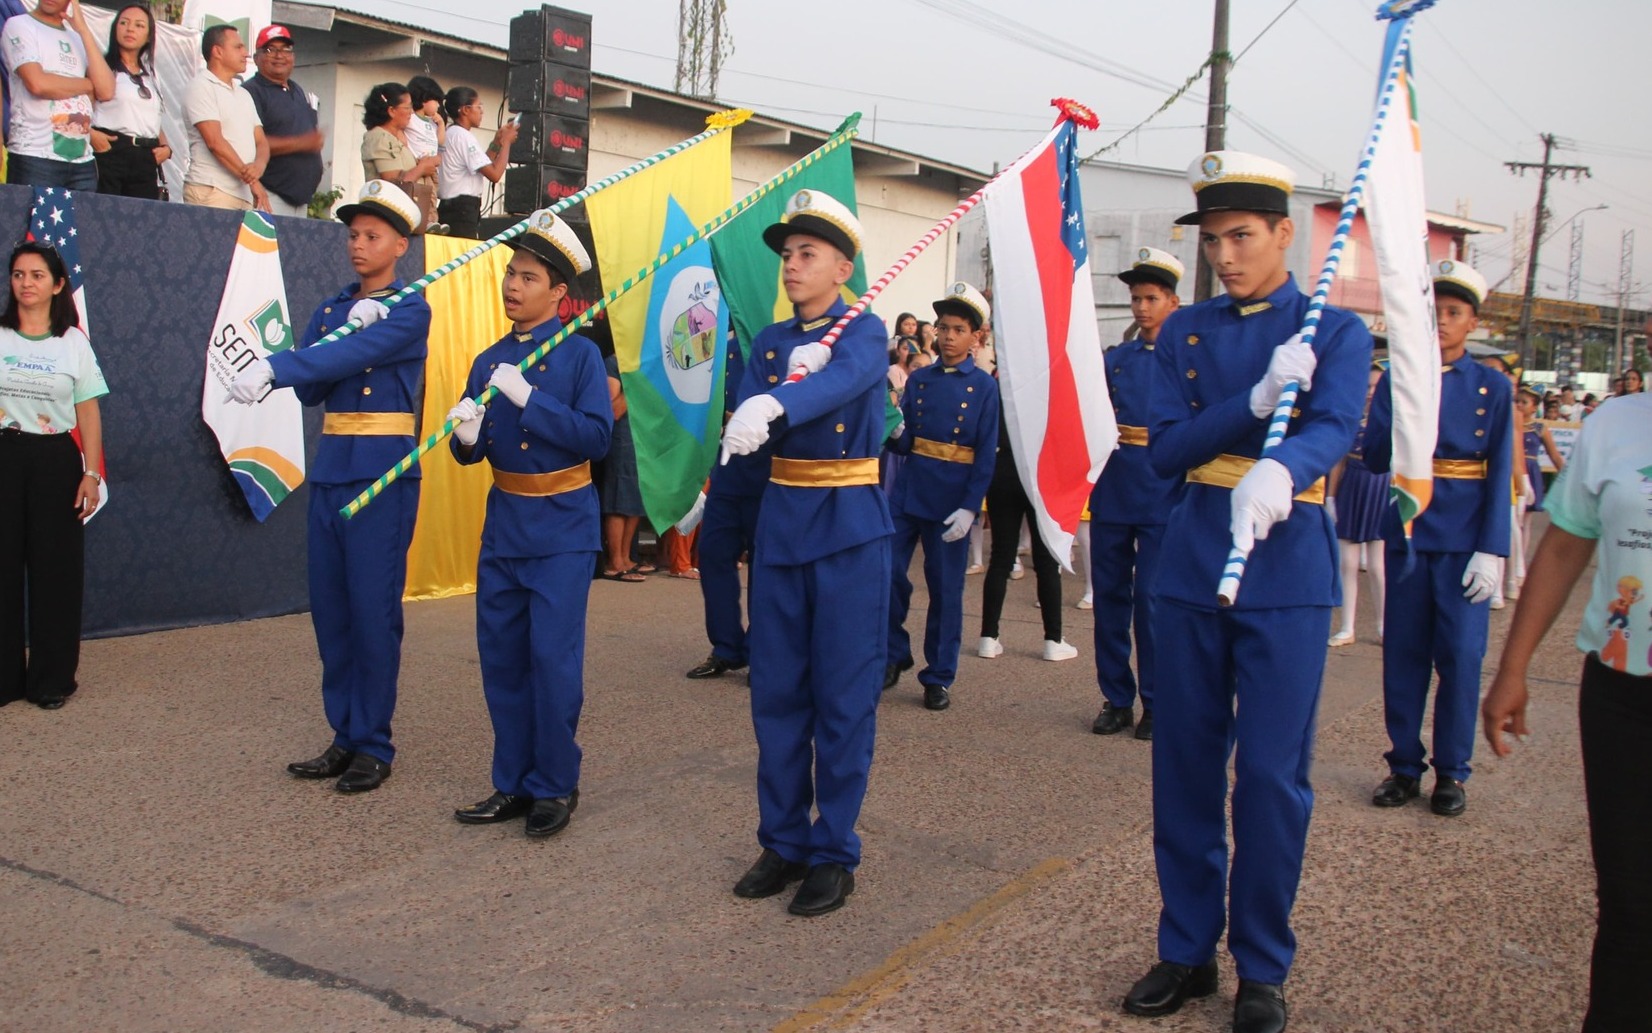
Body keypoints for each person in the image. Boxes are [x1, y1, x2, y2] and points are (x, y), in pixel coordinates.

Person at [1122, 152, 1371, 1033]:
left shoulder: (1333, 331)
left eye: (1241, 236)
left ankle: (1262, 962)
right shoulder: (1184, 330)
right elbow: (1166, 448)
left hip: (1285, 560)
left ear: (1284, 234)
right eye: (1213, 239)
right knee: (1184, 764)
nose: (1224, 255)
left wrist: (1287, 462)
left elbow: (1339, 423)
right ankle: (1187, 947)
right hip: (1193, 559)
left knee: (1269, 777)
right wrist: (1256, 402)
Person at [719, 189, 891, 917]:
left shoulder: (864, 330)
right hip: (785, 525)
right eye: (787, 254)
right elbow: (753, 440)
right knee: (778, 696)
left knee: (842, 699)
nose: (791, 265)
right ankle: (784, 838)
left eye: (807, 253)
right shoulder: (768, 341)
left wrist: (790, 395)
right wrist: (719, 492)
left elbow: (849, 381)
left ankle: (834, 848)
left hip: (849, 526)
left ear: (842, 265)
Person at [228, 180, 431, 792]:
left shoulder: (410, 307)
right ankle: (343, 734)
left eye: (371, 236)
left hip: (381, 475)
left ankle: (374, 742)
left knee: (372, 611)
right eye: (352, 234)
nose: (358, 245)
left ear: (401, 244)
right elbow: (315, 387)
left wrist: (280, 365)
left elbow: (338, 363)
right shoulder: (331, 308)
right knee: (333, 613)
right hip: (331, 470)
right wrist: (326, 336)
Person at [1481, 382, 1651, 1033]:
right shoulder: (1617, 422)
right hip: (1624, 696)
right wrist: (1513, 667)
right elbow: (1565, 542)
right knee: (1632, 905)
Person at [447, 209, 611, 838]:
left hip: (563, 529)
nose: (513, 285)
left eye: (528, 276)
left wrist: (529, 400)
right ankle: (511, 781)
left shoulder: (579, 359)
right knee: (504, 659)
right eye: (510, 273)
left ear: (557, 293)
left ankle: (555, 784)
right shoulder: (489, 359)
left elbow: (595, 438)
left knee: (552, 660)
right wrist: (466, 434)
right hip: (506, 525)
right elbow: (475, 449)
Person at [1363, 260, 1511, 818]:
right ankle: (1403, 764)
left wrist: (1493, 548)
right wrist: (1396, 405)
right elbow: (1374, 458)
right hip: (1409, 532)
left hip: (1465, 537)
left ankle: (1453, 771)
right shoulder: (1400, 379)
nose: (1443, 322)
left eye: (1454, 312)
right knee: (1403, 657)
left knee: (1462, 658)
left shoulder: (1493, 387)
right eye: (1434, 313)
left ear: (1473, 321)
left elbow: (1501, 474)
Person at [881, 282, 999, 712]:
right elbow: (908, 439)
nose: (948, 336)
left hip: (952, 498)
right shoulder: (921, 379)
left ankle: (938, 675)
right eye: (944, 328)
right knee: (888, 572)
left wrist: (971, 507)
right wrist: (896, 433)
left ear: (975, 337)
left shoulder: (984, 387)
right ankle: (894, 654)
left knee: (946, 591)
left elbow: (985, 453)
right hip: (910, 489)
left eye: (958, 329)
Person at [0, 241, 106, 709]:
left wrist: (92, 474)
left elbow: (88, 413)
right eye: (18, 274)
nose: (26, 283)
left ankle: (50, 681)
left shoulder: (73, 343)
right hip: (5, 455)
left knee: (55, 573)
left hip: (56, 463)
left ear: (58, 284)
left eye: (37, 275)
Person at [1089, 246, 1184, 739]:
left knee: (1151, 600)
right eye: (1135, 298)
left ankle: (1156, 700)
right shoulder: (1119, 359)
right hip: (1116, 486)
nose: (1141, 307)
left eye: (1151, 298)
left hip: (1164, 489)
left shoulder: (1188, 358)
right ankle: (1116, 697)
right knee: (1110, 596)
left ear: (1172, 301)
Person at [685, 339, 763, 681]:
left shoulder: (766, 335)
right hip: (727, 470)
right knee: (713, 553)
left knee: (765, 565)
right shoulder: (717, 340)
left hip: (766, 470)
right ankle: (727, 647)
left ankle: (763, 651)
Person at [2, 0, 114, 189]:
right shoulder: (20, 24)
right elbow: (37, 84)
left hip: (82, 161)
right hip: (35, 156)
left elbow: (106, 90)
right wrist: (87, 85)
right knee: (34, 218)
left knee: (81, 219)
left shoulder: (78, 38)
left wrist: (84, 30)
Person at [1327, 362, 1390, 647]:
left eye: (1377, 387)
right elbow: (1338, 461)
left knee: (1378, 566)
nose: (1370, 393)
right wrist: (1330, 496)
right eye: (1367, 386)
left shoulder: (1392, 421)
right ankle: (1347, 626)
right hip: (1351, 486)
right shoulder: (1350, 417)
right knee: (1348, 563)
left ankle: (1383, 625)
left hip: (1380, 486)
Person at [240, 25, 323, 219]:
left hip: (300, 200)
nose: (279, 56)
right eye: (271, 50)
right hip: (269, 195)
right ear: (256, 58)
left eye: (285, 50)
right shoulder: (251, 91)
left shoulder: (297, 90)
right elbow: (250, 142)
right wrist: (301, 144)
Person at [182, 25, 267, 211]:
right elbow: (215, 142)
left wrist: (258, 167)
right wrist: (252, 181)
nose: (246, 53)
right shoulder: (201, 86)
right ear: (217, 51)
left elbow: (261, 142)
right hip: (211, 189)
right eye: (238, 47)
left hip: (242, 195)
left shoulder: (244, 94)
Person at [90, 3, 170, 199]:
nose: (130, 29)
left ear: (149, 35)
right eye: (124, 23)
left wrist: (166, 148)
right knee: (105, 216)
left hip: (145, 156)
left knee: (141, 221)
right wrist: (91, 135)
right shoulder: (103, 67)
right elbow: (82, 106)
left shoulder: (151, 74)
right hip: (112, 150)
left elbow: (150, 117)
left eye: (139, 25)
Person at [437, 86, 517, 239]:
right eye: (478, 106)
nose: (482, 111)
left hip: (451, 208)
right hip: (462, 210)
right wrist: (506, 142)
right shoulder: (463, 136)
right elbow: (494, 174)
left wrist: (497, 141)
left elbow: (481, 164)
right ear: (465, 110)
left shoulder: (451, 132)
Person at [598, 348, 650, 581]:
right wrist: (635, 383)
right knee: (619, 499)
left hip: (643, 438)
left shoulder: (644, 361)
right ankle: (615, 561)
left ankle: (627, 557)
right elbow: (614, 409)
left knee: (636, 499)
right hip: (622, 439)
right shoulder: (612, 363)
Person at [359, 82, 440, 226]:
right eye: (408, 107)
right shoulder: (379, 137)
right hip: (389, 221)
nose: (411, 112)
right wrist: (422, 168)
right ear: (391, 111)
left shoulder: (395, 138)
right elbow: (392, 184)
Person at [403, 75, 445, 232]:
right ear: (423, 99)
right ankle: (423, 221)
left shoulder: (431, 123)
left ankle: (433, 220)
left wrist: (441, 124)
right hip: (419, 164)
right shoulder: (411, 118)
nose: (438, 106)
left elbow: (440, 141)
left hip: (432, 167)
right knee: (418, 193)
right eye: (436, 101)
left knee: (432, 194)